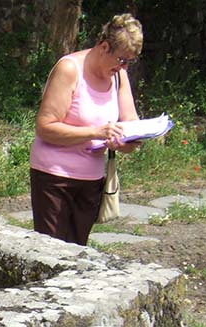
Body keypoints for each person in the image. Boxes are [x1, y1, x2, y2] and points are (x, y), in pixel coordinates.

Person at [29, 13, 143, 246]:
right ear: (104, 46)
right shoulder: (70, 69)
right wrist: (95, 133)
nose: (124, 67)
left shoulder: (119, 76)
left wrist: (129, 140)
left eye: (129, 62)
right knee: (51, 252)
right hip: (55, 177)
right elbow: (45, 127)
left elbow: (130, 121)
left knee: (78, 250)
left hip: (91, 180)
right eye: (121, 59)